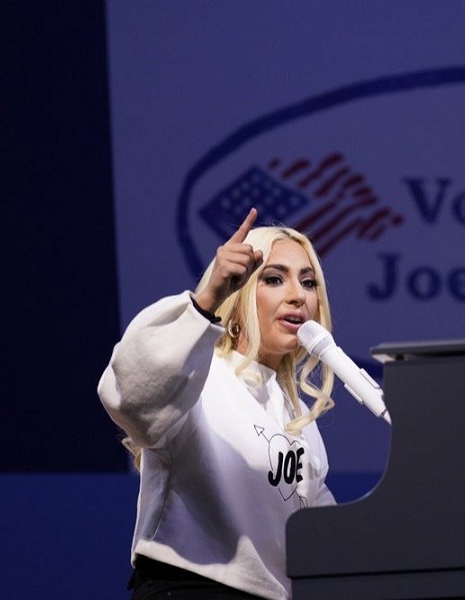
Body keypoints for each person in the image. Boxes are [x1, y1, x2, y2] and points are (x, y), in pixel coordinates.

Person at [98, 208, 337, 599]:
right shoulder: (198, 373)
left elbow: (324, 533)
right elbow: (129, 395)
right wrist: (207, 298)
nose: (298, 295)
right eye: (274, 279)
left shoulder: (298, 417)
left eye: (308, 282)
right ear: (239, 293)